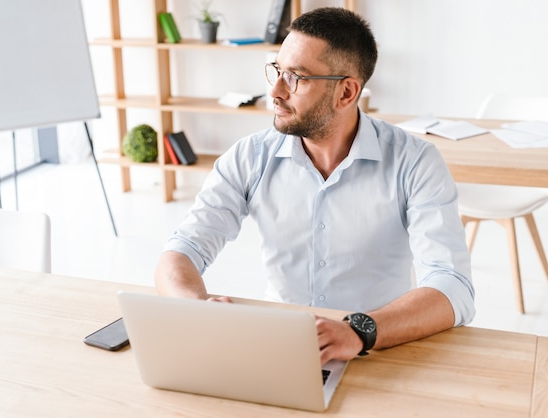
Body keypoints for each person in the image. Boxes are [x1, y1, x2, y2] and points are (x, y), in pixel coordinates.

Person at [154, 7, 475, 362]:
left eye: (296, 78)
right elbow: (182, 250)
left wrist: (358, 330)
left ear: (347, 92)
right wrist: (193, 308)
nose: (275, 92)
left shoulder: (414, 162)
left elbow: (452, 286)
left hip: (378, 347)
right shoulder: (250, 156)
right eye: (276, 70)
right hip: (277, 347)